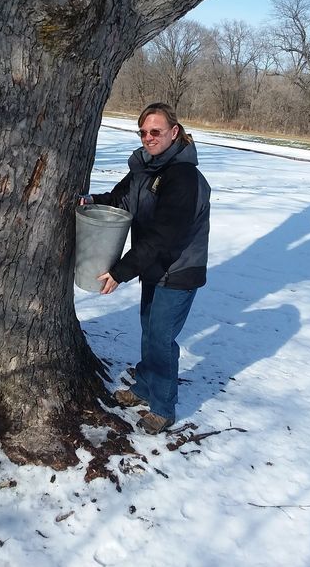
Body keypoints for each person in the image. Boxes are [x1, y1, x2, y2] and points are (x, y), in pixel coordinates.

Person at [80, 103, 210, 434]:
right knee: (149, 329)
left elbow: (165, 236)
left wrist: (121, 271)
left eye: (156, 132)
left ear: (174, 132)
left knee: (161, 338)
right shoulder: (145, 169)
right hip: (155, 265)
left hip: (178, 269)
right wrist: (92, 201)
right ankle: (143, 388)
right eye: (143, 132)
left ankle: (163, 407)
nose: (148, 138)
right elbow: (120, 198)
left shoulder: (183, 177)